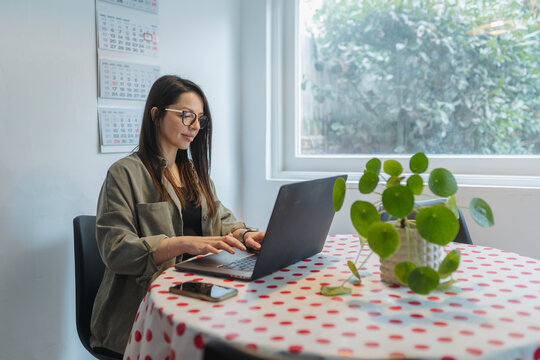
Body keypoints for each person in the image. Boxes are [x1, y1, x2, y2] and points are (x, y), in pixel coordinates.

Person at [90, 75, 265, 356]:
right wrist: (179, 243)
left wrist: (246, 234)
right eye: (186, 116)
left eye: (200, 119)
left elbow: (223, 221)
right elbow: (116, 250)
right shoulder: (124, 174)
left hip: (198, 291)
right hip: (143, 310)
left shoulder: (193, 172)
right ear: (156, 115)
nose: (195, 126)